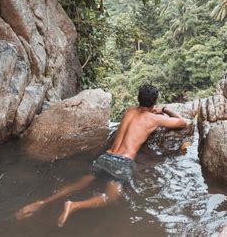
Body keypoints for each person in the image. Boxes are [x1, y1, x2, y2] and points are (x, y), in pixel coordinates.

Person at [16, 84, 190, 227]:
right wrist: (165, 109)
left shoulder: (129, 111)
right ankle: (74, 205)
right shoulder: (154, 119)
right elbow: (183, 122)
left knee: (80, 183)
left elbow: (139, 115)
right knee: (111, 197)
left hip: (105, 157)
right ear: (154, 102)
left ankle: (43, 202)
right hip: (122, 161)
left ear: (138, 99)